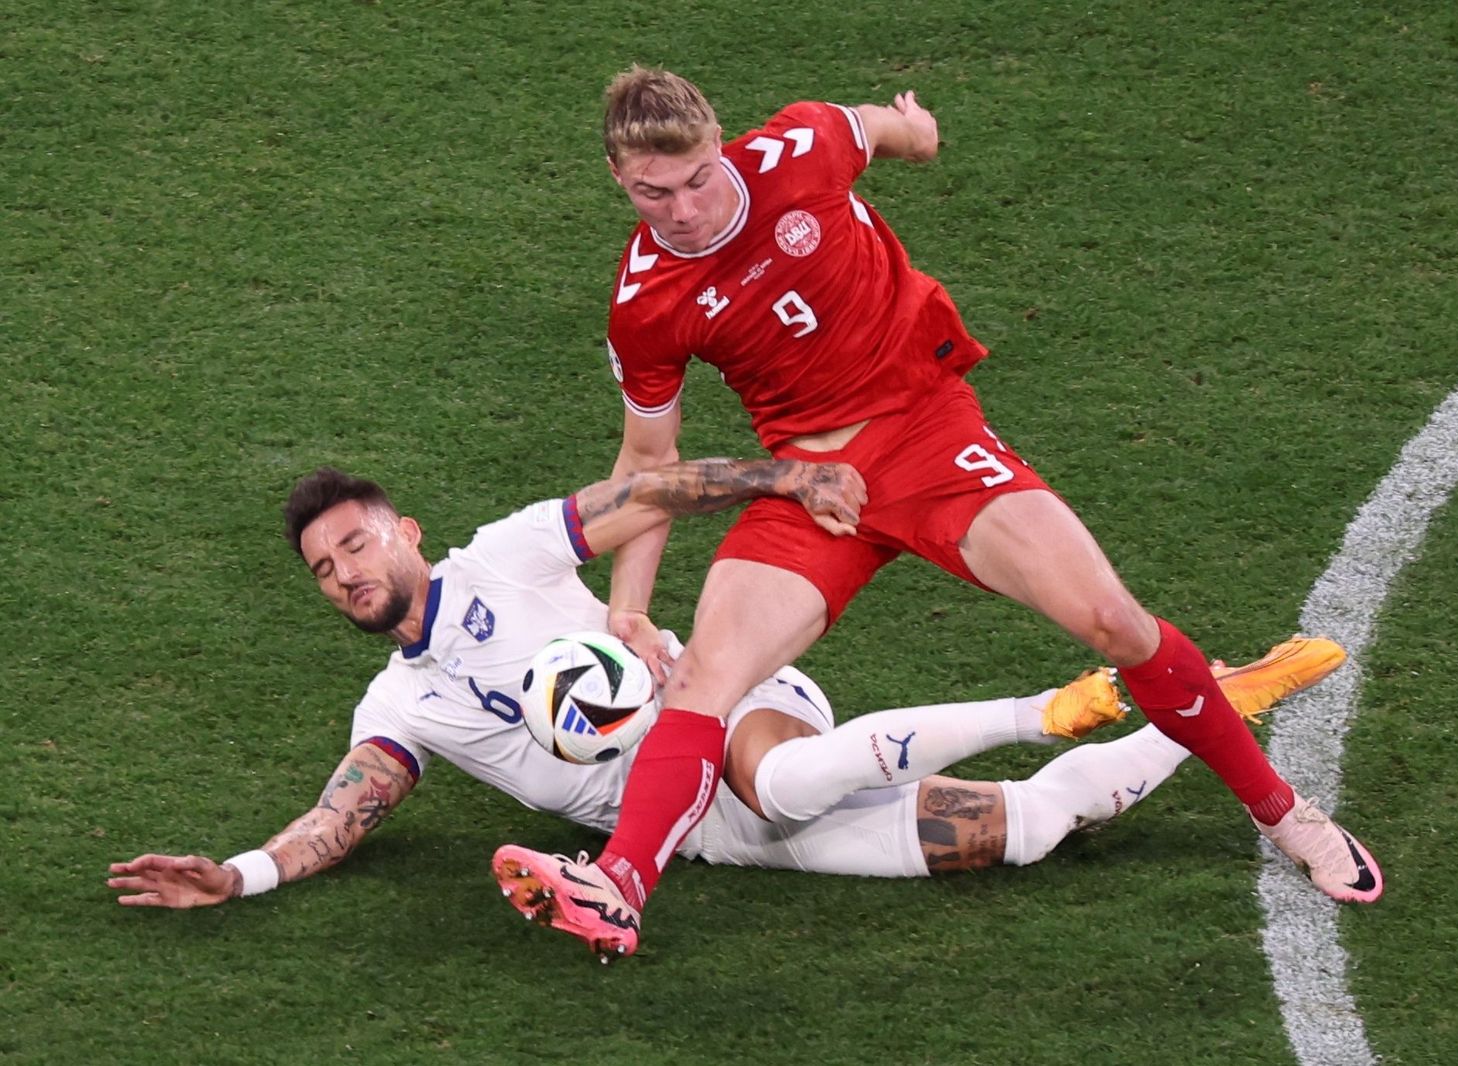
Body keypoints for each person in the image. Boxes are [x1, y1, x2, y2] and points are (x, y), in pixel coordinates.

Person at [504, 66, 1383, 957]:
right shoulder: (645, 301)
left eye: (697, 179)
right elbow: (650, 465)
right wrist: (627, 609)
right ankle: (618, 884)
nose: (684, 210)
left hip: (928, 436)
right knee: (701, 682)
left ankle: (1283, 813)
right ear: (618, 177)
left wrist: (917, 134)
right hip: (813, 484)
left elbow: (886, 131)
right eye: (654, 194)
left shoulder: (801, 147)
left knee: (1114, 622)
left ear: (719, 143)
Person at [106, 465, 1345, 960]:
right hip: (702, 830)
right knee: (1023, 833)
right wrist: (239, 874)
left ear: (404, 531)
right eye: (325, 569)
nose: (345, 572)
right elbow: (345, 813)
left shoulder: (504, 555)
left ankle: (1053, 701)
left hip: (730, 713)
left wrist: (769, 480)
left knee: (785, 778)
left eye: (355, 543)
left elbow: (647, 491)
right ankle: (1209, 702)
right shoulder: (399, 703)